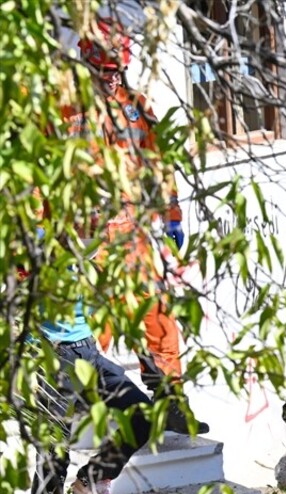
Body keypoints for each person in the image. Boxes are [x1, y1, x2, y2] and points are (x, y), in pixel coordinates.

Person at [73, 18, 205, 435]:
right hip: (84, 236)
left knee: (159, 314)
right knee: (98, 322)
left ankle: (168, 401)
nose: (110, 79)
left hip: (131, 233)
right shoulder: (65, 112)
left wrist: (172, 216)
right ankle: (88, 405)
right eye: (103, 72)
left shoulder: (136, 107)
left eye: (116, 71)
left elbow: (159, 165)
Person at [26, 300, 155, 494]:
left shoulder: (79, 264)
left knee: (143, 414)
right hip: (52, 358)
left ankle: (92, 477)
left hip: (89, 353)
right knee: (53, 456)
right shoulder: (26, 263)